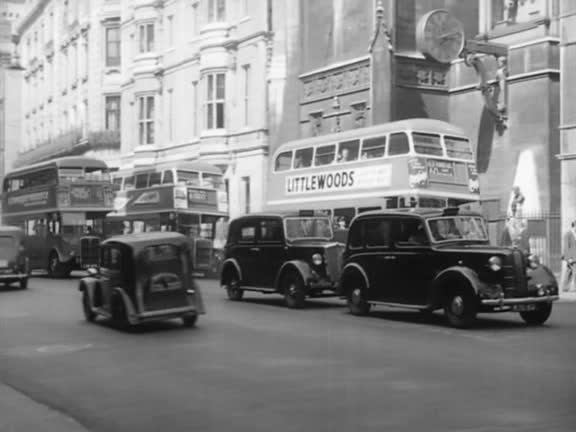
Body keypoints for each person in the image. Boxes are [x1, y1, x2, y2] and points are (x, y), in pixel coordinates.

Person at [560, 220, 576, 293]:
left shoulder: (574, 234)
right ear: (574, 225)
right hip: (571, 257)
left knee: (569, 272)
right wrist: (568, 258)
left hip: (574, 256)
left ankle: (565, 287)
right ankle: (572, 287)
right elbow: (566, 247)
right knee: (574, 271)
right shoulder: (568, 234)